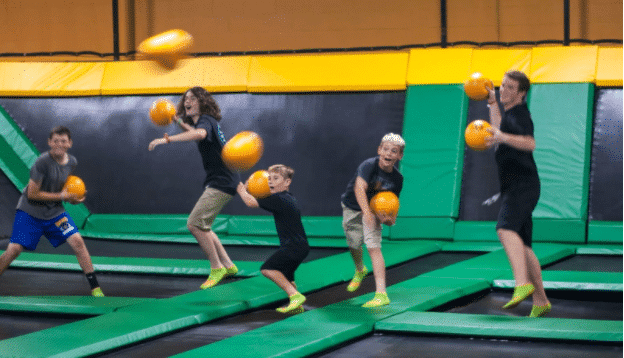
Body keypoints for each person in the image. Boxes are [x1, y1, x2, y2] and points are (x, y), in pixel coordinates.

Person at [149, 87, 238, 289]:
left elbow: (199, 133)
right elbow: (196, 132)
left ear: (203, 103)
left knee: (195, 224)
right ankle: (228, 264)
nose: (187, 101)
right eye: (186, 98)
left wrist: (167, 139)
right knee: (204, 225)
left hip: (222, 181)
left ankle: (216, 268)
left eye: (193, 98)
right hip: (225, 179)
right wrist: (178, 122)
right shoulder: (207, 122)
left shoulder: (206, 121)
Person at [0, 126, 104, 297]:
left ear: (69, 143)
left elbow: (61, 187)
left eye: (63, 141)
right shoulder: (41, 163)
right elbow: (33, 193)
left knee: (77, 241)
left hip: (54, 213)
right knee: (14, 249)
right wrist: (62, 195)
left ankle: (96, 288)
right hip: (29, 212)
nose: (59, 144)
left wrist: (72, 198)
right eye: (55, 141)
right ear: (49, 142)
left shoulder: (72, 162)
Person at [485, 70, 551, 318]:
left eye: (510, 87)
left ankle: (522, 282)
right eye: (502, 86)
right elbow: (497, 131)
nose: (504, 90)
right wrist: (492, 102)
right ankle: (541, 300)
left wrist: (501, 136)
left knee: (504, 229)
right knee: (523, 244)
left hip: (522, 186)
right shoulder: (510, 115)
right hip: (516, 186)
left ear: (521, 93)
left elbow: (529, 142)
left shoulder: (521, 114)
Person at [341, 133, 404, 308]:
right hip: (353, 206)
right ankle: (360, 269)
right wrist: (366, 212)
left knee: (374, 247)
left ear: (399, 156)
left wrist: (390, 220)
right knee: (354, 243)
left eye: (394, 151)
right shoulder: (369, 165)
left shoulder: (398, 179)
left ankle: (381, 294)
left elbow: (393, 202)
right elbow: (359, 188)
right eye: (385, 149)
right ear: (379, 151)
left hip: (375, 209)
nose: (389, 154)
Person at [237, 165, 309, 314]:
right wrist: (249, 190)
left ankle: (295, 296)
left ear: (287, 182)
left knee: (268, 269)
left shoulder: (278, 198)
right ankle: (296, 305)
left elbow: (251, 202)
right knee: (287, 277)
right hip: (300, 246)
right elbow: (258, 197)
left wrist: (241, 190)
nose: (270, 182)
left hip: (292, 247)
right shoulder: (288, 198)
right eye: (269, 178)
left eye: (276, 179)